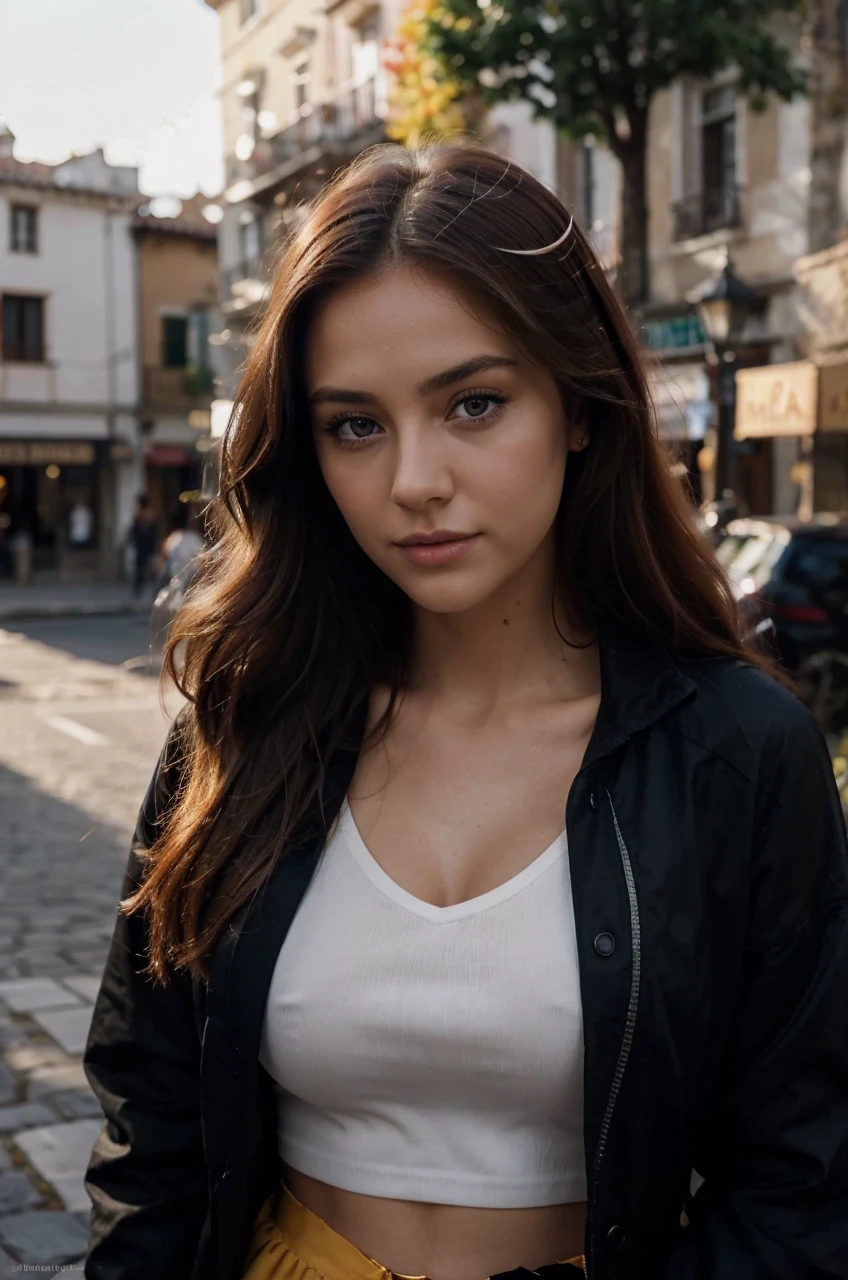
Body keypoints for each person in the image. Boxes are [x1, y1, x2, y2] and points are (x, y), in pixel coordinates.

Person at [82, 144, 848, 1280]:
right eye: (354, 424)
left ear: (578, 406)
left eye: (473, 403)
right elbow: (151, 1121)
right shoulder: (246, 723)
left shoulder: (735, 752)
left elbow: (798, 1186)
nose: (412, 480)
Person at [154, 504, 205, 595]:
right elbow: (203, 563)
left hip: (174, 587)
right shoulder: (195, 539)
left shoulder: (171, 539)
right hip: (193, 588)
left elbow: (159, 565)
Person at [126, 494, 158, 598]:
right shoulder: (143, 514)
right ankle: (146, 590)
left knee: (145, 570)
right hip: (145, 547)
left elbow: (136, 531)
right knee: (143, 570)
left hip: (144, 547)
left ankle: (145, 590)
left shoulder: (143, 515)